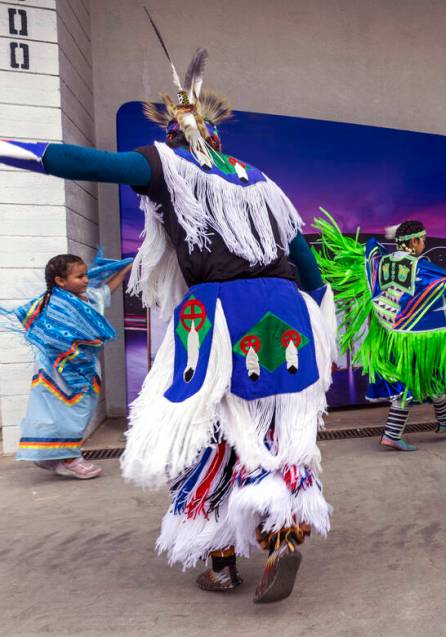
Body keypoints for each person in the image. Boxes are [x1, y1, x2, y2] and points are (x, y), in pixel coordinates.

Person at [0, 45, 337, 603]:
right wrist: (319, 310)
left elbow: (85, 162)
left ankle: (223, 563)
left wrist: (11, 149)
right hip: (286, 311)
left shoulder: (166, 164)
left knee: (204, 432)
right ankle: (282, 536)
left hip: (218, 316)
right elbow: (305, 261)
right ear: (216, 137)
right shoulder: (260, 180)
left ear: (176, 137)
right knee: (281, 431)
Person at [314, 214, 446, 451]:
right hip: (409, 337)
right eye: (422, 239)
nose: (425, 243)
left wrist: (391, 236)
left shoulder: (383, 263)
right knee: (407, 383)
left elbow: (370, 249)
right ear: (414, 242)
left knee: (432, 374)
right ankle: (391, 434)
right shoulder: (419, 266)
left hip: (390, 334)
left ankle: (443, 422)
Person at [12, 253, 131, 479]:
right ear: (60, 281)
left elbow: (107, 290)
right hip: (55, 370)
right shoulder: (53, 303)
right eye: (80, 277)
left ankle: (52, 457)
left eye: (86, 275)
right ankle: (68, 458)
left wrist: (125, 270)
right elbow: (46, 334)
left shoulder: (88, 299)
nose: (86, 280)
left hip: (84, 367)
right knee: (57, 412)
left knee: (78, 411)